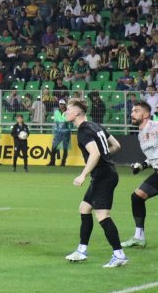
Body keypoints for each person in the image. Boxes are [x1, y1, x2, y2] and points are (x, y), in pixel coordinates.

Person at [63, 98, 128, 267]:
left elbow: (95, 154)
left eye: (69, 110)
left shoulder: (84, 131)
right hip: (104, 174)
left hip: (104, 176)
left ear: (77, 112)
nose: (66, 113)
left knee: (102, 216)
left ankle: (119, 254)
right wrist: (105, 157)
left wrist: (83, 175)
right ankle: (81, 250)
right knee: (84, 208)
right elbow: (116, 145)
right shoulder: (95, 125)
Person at [120, 100, 158, 248]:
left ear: (146, 114)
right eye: (132, 111)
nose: (132, 113)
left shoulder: (155, 126)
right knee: (137, 197)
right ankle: (139, 237)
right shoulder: (140, 135)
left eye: (136, 111)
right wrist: (141, 166)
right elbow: (153, 157)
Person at [49, 99, 72, 166]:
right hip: (58, 131)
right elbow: (56, 122)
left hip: (66, 131)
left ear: (65, 104)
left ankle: (63, 162)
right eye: (60, 104)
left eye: (62, 104)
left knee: (65, 148)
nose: (61, 105)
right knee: (54, 146)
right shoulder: (56, 112)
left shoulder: (68, 112)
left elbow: (70, 121)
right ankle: (52, 162)